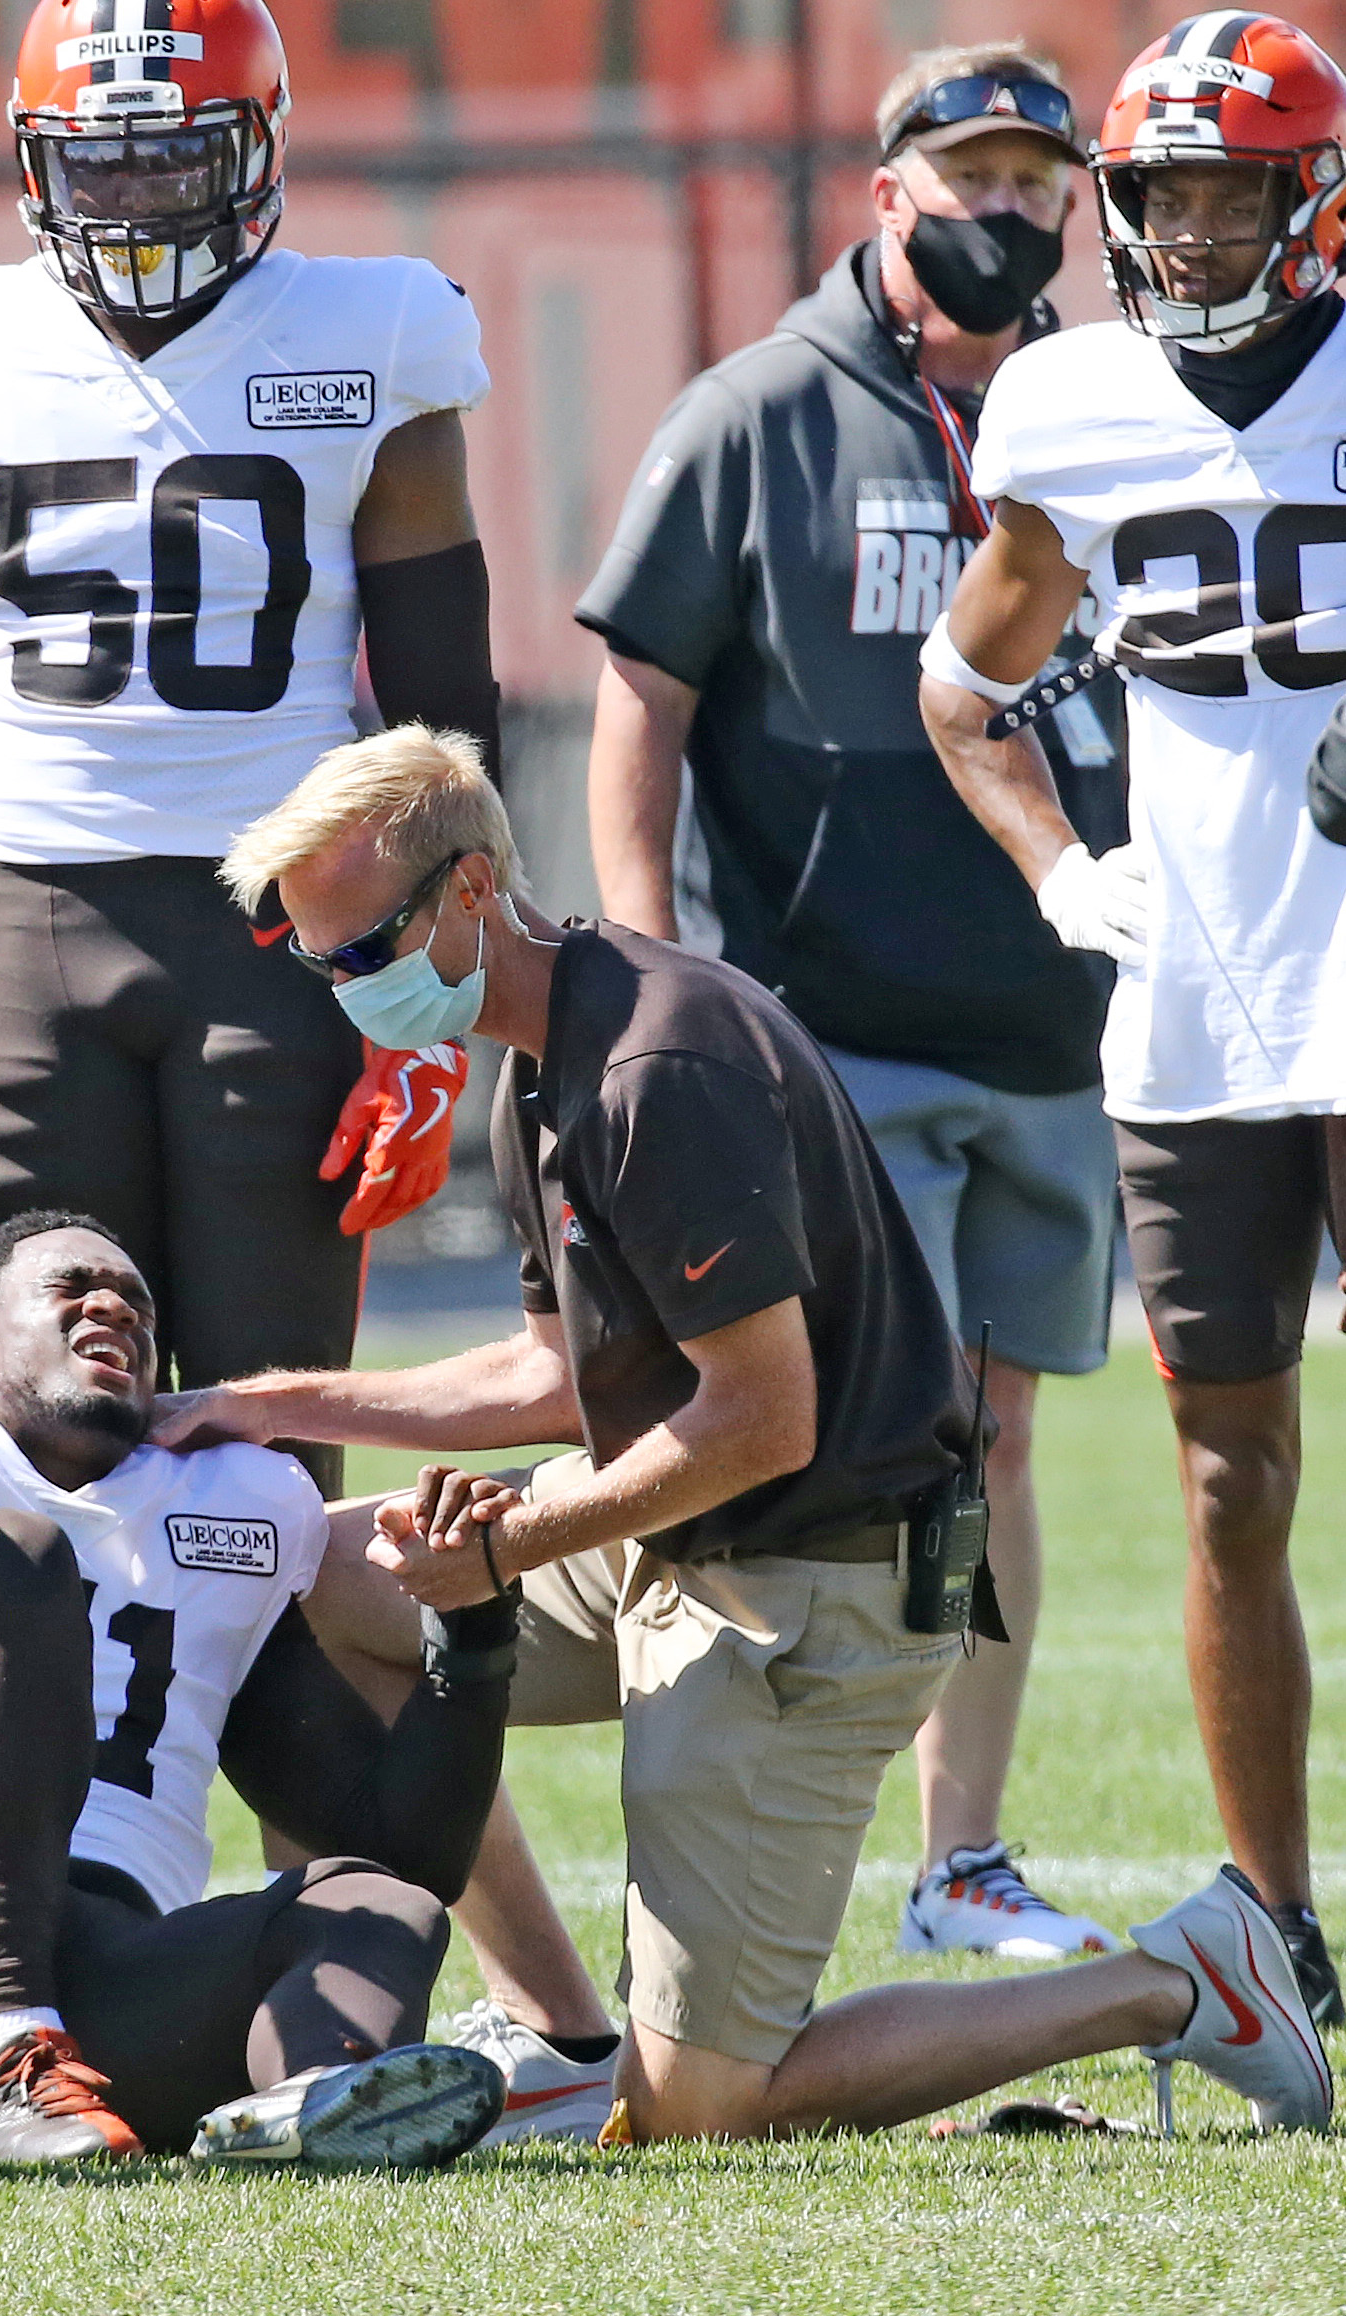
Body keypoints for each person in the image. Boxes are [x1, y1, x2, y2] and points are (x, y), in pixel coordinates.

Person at [154, 725, 1331, 2141]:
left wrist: (508, 1541)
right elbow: (552, 1373)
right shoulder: (537, 1050)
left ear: (472, 888)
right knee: (308, 1582)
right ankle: (559, 2029)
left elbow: (764, 1424)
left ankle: (1182, 1978)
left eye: (360, 953)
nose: (347, 991)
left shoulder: (657, 1063)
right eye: (317, 964)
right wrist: (263, 1404)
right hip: (682, 1534)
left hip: (812, 1581)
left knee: (702, 2112)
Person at [579, 42, 1126, 1964]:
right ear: (883, 190)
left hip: (1058, 1016)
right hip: (823, 1034)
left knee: (997, 1436)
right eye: (966, 175)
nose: (1005, 212)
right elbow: (637, 698)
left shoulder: (1106, 406)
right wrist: (644, 987)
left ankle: (959, 1857)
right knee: (824, 1437)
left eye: (1034, 182)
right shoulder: (754, 415)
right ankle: (768, 1835)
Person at [0, 0, 501, 1496]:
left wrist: (432, 1010)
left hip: (283, 929)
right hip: (33, 930)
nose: (130, 199)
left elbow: (441, 722)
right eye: (99, 164)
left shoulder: (371, 330)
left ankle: (275, 1730)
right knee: (40, 1443)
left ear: (256, 149)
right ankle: (55, 1740)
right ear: (32, 166)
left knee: (264, 1438)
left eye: (171, 159)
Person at [920, 10, 1346, 2030]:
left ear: (1313, 199)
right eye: (1159, 197)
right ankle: (1281, 1924)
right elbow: (961, 688)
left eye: (1229, 193)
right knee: (1226, 1480)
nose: (1186, 234)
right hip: (1193, 1004)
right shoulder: (1072, 404)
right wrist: (1061, 869)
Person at [0, 1213, 515, 2166]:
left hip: (111, 1983)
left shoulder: (228, 1512)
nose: (115, 1306)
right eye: (72, 1286)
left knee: (377, 1904)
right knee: (14, 1555)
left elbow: (401, 1847)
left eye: (139, 1305)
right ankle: (7, 2052)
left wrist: (474, 1628)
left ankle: (309, 2107)